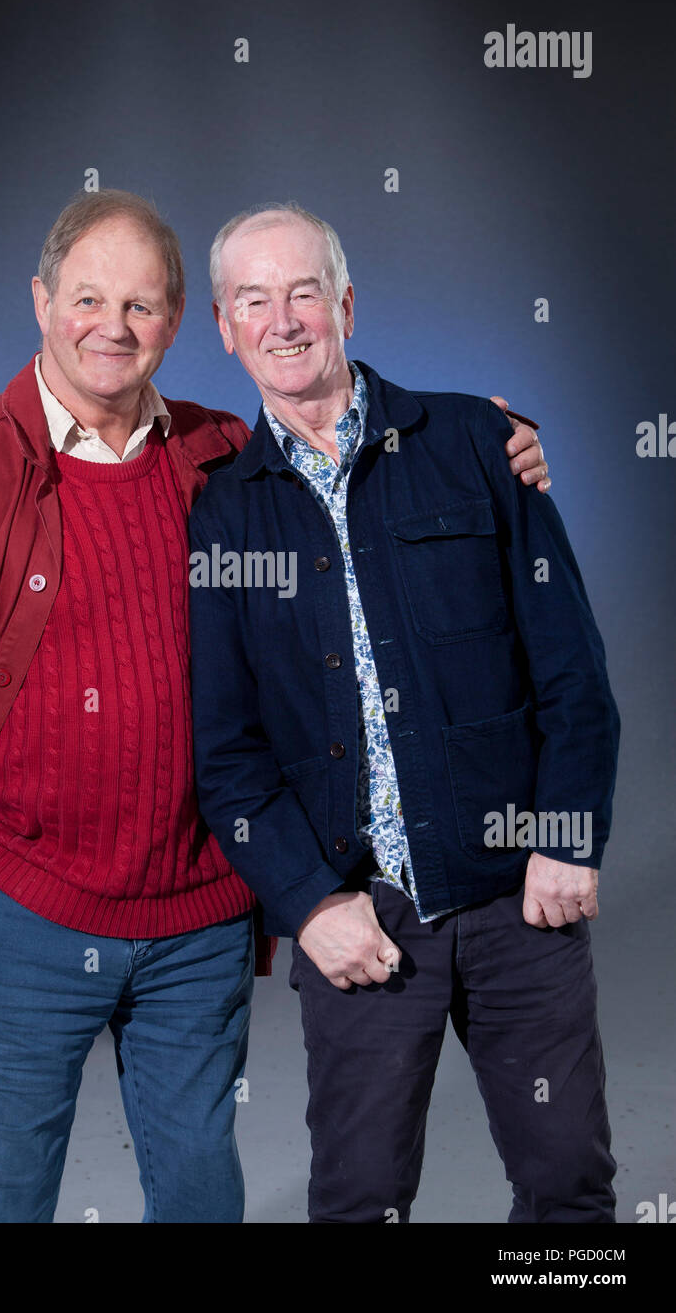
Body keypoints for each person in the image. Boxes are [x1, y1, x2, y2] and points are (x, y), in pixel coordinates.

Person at [0, 189, 546, 1225]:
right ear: (41, 302)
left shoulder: (220, 455)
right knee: (0, 1200)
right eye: (88, 298)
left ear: (178, 322)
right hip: (16, 913)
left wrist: (494, 442)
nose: (112, 327)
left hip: (195, 919)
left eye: (142, 305)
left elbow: (358, 466)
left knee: (201, 1193)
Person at [188, 201, 618, 1224]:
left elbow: (572, 670)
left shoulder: (475, 442)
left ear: (345, 304)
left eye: (303, 292)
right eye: (255, 300)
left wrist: (566, 838)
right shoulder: (223, 513)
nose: (283, 321)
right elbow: (228, 755)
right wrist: (309, 907)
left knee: (567, 1183)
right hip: (358, 916)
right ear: (224, 326)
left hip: (518, 896)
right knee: (359, 1201)